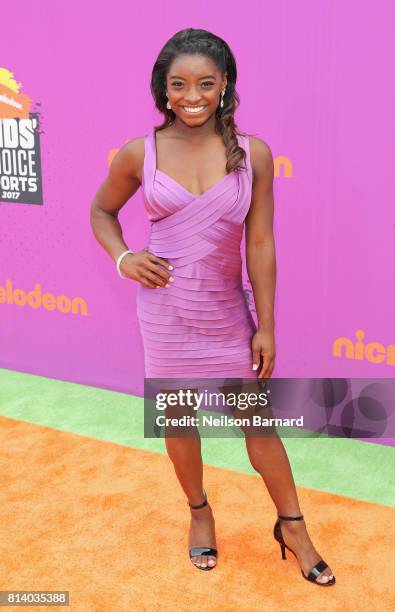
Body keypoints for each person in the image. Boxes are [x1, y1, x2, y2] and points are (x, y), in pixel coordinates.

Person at [90, 28, 335, 586]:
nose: (191, 95)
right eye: (179, 84)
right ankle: (199, 512)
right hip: (165, 312)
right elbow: (101, 212)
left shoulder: (255, 154)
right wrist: (124, 257)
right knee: (178, 420)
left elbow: (262, 243)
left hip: (226, 311)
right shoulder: (139, 152)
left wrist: (266, 325)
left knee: (259, 424)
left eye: (205, 82)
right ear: (164, 88)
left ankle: (293, 526)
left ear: (225, 85)